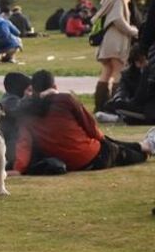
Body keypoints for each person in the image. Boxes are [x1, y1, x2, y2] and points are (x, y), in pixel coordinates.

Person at [12, 70, 154, 174]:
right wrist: (105, 142)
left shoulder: (25, 114)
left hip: (68, 163)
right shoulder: (65, 100)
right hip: (93, 156)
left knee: (114, 144)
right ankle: (146, 146)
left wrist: (18, 168)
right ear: (54, 86)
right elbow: (92, 129)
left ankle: (144, 145)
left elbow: (24, 144)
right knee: (136, 154)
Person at [93, 0, 139, 114]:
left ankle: (100, 104)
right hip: (116, 40)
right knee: (118, 72)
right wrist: (132, 30)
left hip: (108, 40)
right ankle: (116, 106)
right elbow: (118, 19)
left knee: (106, 71)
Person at [0, 72, 32, 168]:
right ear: (20, 89)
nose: (31, 93)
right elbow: (20, 110)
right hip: (12, 148)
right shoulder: (9, 102)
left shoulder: (12, 100)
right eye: (28, 90)